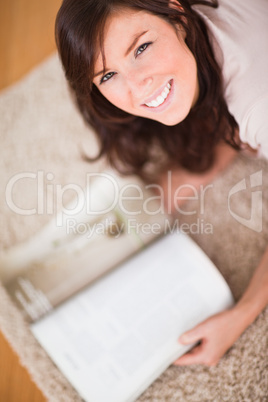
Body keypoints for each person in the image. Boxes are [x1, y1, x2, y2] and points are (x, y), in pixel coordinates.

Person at [55, 0, 268, 366]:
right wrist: (187, 175)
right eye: (108, 76)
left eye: (141, 48)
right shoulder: (204, 35)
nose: (138, 88)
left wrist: (244, 312)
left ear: (177, 17)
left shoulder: (256, 104)